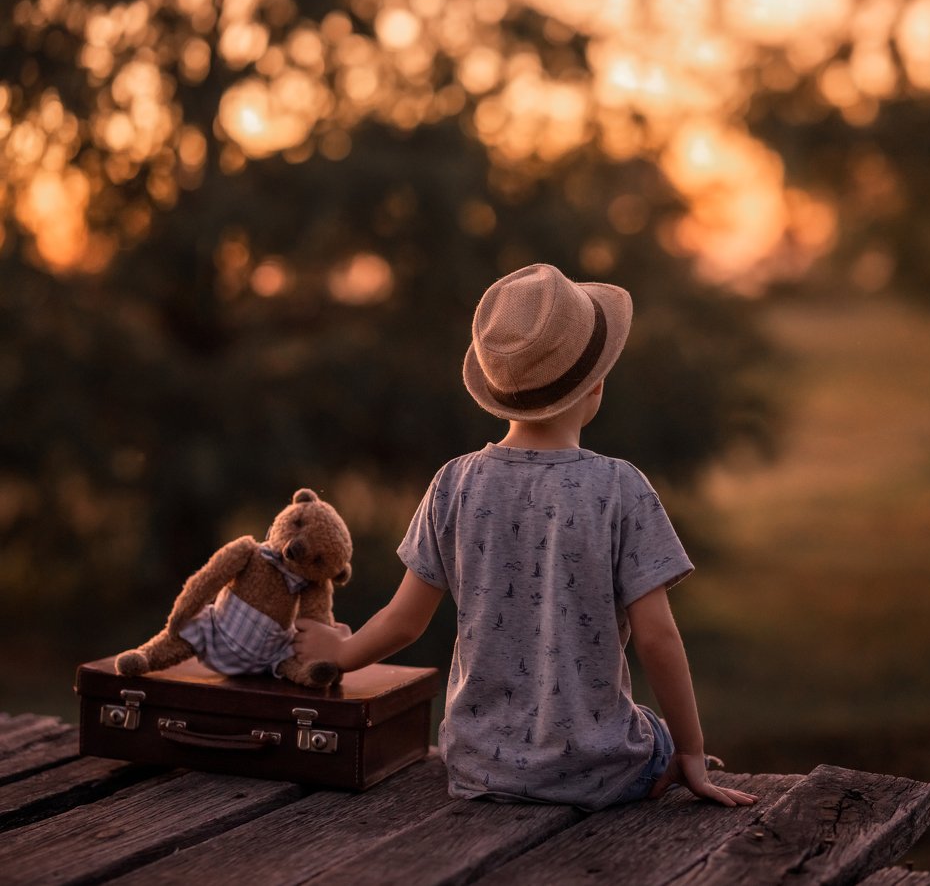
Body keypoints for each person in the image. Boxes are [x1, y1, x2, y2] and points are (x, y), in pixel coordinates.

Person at [293, 264, 758, 811]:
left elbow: (404, 620)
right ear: (596, 386)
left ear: (498, 393)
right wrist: (692, 752)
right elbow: (658, 639)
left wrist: (342, 654)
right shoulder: (619, 487)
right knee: (651, 733)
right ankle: (663, 761)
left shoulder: (455, 483)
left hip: (477, 767)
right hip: (596, 771)